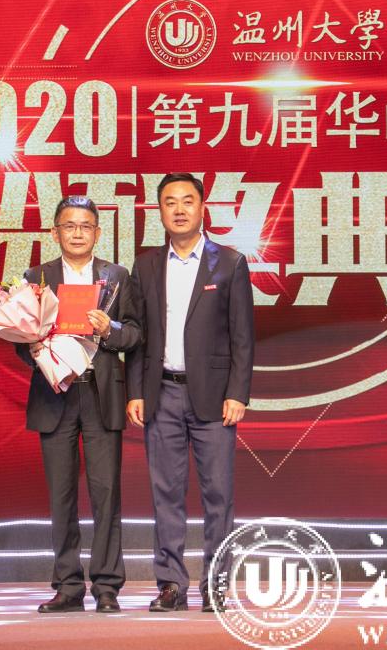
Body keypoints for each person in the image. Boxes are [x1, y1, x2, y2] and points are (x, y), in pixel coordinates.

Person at [125, 172, 254, 612]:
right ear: (159, 210)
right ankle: (171, 585)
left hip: (215, 399)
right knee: (166, 494)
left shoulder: (230, 263)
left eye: (187, 201)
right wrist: (136, 390)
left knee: (218, 495)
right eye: (169, 202)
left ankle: (216, 585)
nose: (179, 209)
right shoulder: (145, 265)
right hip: (161, 392)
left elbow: (242, 336)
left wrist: (238, 392)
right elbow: (139, 335)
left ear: (202, 208)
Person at [15, 195, 141, 613]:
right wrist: (33, 346)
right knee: (62, 495)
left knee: (106, 494)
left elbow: (135, 333)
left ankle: (106, 587)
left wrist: (111, 329)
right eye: (69, 226)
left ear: (98, 233)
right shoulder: (36, 276)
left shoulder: (117, 275)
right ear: (55, 233)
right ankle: (68, 586)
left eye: (85, 226)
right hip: (55, 394)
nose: (77, 233)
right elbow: (18, 341)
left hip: (100, 393)